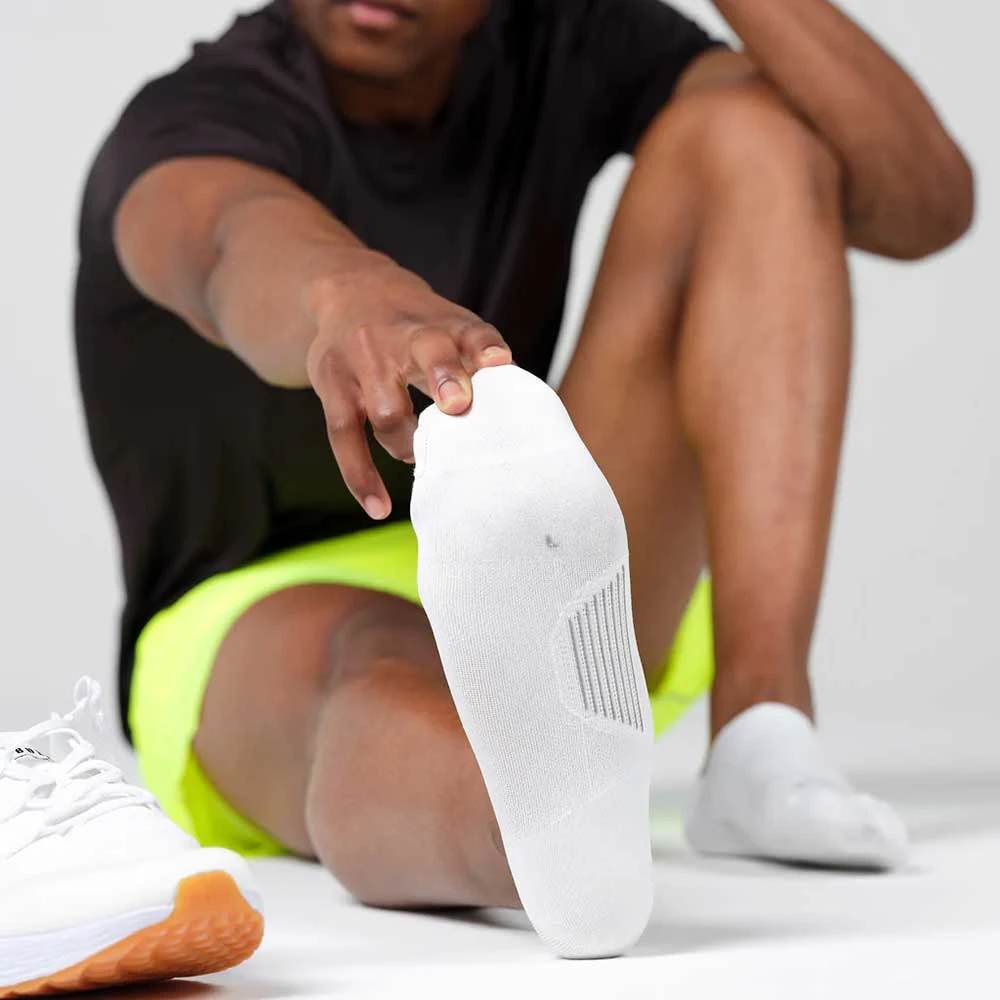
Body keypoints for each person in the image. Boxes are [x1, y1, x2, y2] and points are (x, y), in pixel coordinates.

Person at [76, 0, 973, 956]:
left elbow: (921, 205)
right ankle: (543, 839)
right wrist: (347, 296)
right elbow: (229, 241)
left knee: (750, 127)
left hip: (544, 564)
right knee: (375, 661)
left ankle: (764, 729)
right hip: (258, 613)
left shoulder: (565, 43)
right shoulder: (194, 116)